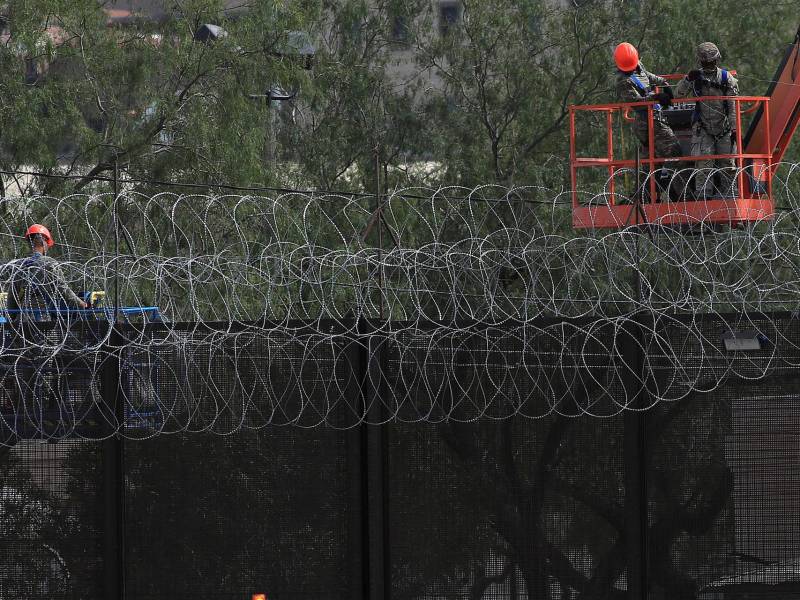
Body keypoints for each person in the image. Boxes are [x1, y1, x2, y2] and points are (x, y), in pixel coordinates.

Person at [614, 42, 683, 199]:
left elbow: (648, 76)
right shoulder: (623, 82)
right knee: (674, 150)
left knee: (652, 160)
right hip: (647, 122)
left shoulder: (638, 66)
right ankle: (664, 181)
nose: (631, 69)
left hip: (655, 117)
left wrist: (663, 83)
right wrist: (656, 97)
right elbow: (636, 103)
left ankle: (645, 195)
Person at [675, 42, 740, 199]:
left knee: (728, 164)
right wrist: (687, 79)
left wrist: (734, 129)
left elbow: (733, 107)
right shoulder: (695, 78)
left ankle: (729, 196)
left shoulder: (726, 78)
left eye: (711, 62)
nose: (709, 65)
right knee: (704, 163)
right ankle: (703, 197)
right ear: (701, 62)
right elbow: (678, 95)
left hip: (724, 128)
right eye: (706, 63)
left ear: (716, 60)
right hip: (703, 128)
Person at [6, 224, 87, 321]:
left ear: (29, 243)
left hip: (23, 318)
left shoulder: (19, 265)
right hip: (42, 317)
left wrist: (12, 318)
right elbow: (63, 289)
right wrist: (81, 303)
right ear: (44, 243)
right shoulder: (49, 263)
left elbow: (12, 296)